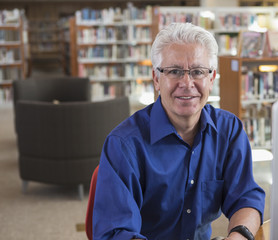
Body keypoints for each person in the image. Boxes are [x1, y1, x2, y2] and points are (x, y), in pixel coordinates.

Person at [93, 22, 265, 240]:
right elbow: (115, 232)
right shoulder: (124, 144)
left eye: (197, 72)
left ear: (211, 79)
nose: (187, 83)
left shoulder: (229, 131)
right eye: (174, 71)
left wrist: (238, 236)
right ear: (156, 78)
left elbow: (246, 197)